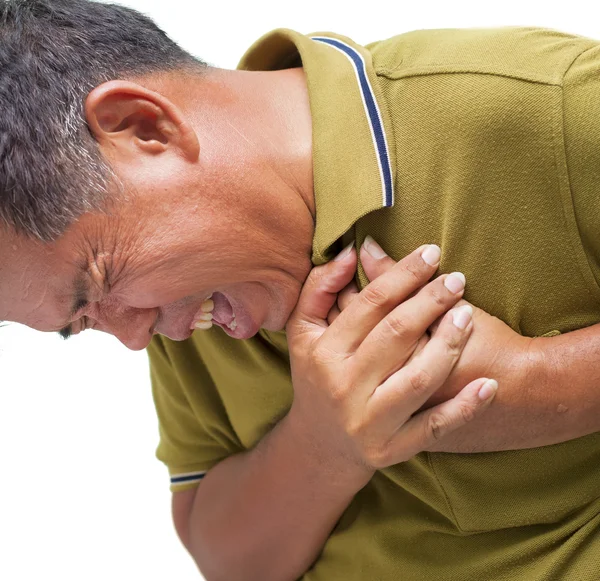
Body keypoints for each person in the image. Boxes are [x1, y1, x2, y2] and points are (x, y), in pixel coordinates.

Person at [1, 0, 600, 579]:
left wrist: (534, 384)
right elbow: (227, 561)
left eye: (97, 284)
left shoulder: (549, 103)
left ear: (143, 126)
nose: (134, 337)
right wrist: (325, 443)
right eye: (78, 324)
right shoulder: (178, 303)